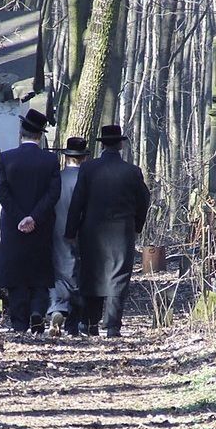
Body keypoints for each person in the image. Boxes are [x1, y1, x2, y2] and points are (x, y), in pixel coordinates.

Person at [64, 125, 151, 338]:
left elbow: (78, 201)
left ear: (102, 144)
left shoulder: (88, 169)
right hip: (122, 232)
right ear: (120, 145)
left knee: (92, 274)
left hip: (91, 231)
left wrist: (71, 230)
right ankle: (112, 326)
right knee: (118, 276)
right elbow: (144, 200)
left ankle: (90, 323)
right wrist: (137, 225)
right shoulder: (132, 171)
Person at [0, 109, 61, 334]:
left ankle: (20, 322)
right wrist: (34, 217)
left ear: (21, 132)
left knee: (17, 275)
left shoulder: (6, 158)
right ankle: (37, 311)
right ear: (40, 136)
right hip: (40, 226)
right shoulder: (50, 160)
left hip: (14, 227)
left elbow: (1, 191)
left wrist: (20, 217)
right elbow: (53, 194)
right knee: (39, 272)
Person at [47, 137, 90, 337]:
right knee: (80, 274)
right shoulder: (89, 179)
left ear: (67, 157)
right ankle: (75, 323)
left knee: (59, 270)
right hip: (85, 231)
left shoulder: (56, 179)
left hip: (57, 229)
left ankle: (58, 308)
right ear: (84, 157)